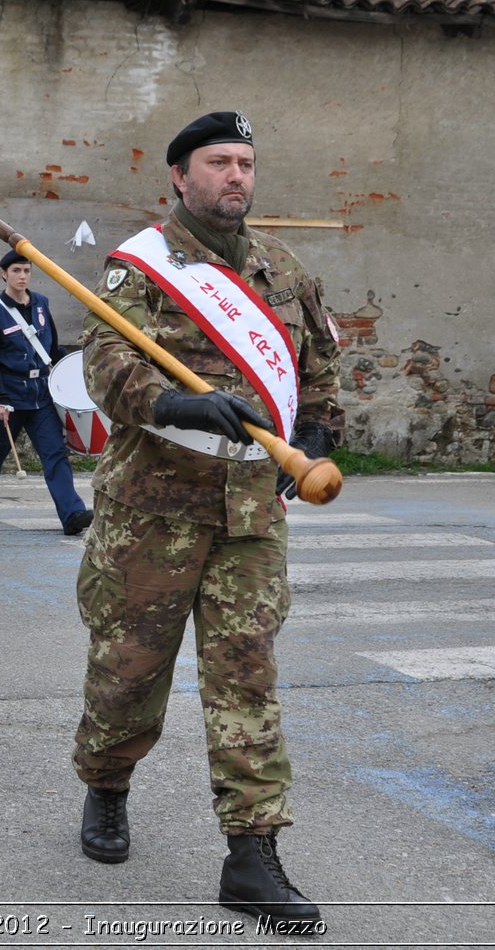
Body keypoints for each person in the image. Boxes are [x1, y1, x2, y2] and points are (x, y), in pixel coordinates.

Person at [72, 112, 340, 934]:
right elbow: (104, 366)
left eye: (247, 163)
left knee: (246, 673)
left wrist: (322, 431)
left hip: (253, 513)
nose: (237, 176)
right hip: (154, 511)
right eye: (219, 162)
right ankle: (108, 783)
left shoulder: (286, 272)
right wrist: (172, 399)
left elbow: (321, 367)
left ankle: (251, 852)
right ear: (180, 176)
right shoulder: (142, 271)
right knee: (129, 669)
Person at [0, 250, 93, 534]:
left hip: (40, 395)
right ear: (4, 274)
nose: (22, 276)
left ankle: (72, 514)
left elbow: (52, 349)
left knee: (55, 453)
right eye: (16, 271)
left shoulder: (41, 304)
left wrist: (72, 371)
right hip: (9, 395)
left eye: (26, 271)